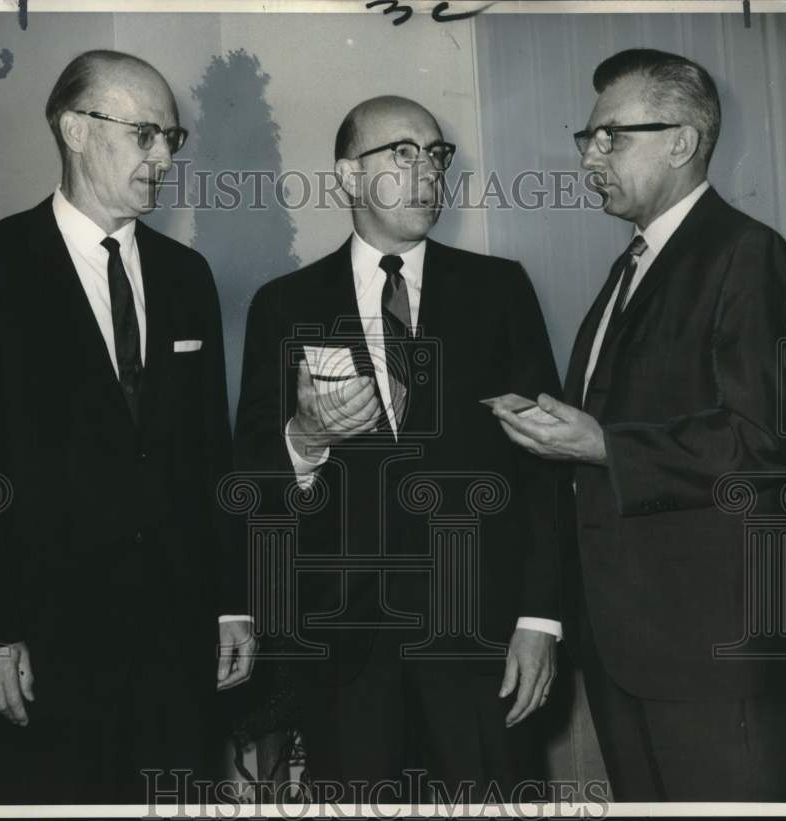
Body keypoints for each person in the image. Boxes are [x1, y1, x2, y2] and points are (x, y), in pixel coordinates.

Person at [0, 50, 254, 805]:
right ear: (74, 128)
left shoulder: (187, 278)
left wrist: (231, 601)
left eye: (172, 137)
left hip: (176, 650)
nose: (164, 155)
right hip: (39, 652)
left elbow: (210, 458)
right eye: (145, 134)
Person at [493, 48, 786, 801]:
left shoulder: (745, 253)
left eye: (612, 137)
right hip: (625, 647)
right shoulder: (629, 268)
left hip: (708, 654)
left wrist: (602, 443)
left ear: (682, 143)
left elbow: (761, 444)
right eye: (587, 139)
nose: (590, 157)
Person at [234, 95, 563, 802]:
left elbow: (542, 469)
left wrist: (540, 620)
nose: (427, 171)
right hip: (345, 651)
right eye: (402, 152)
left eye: (436, 154)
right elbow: (254, 476)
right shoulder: (283, 305)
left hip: (481, 645)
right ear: (349, 176)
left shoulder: (500, 290)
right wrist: (306, 438)